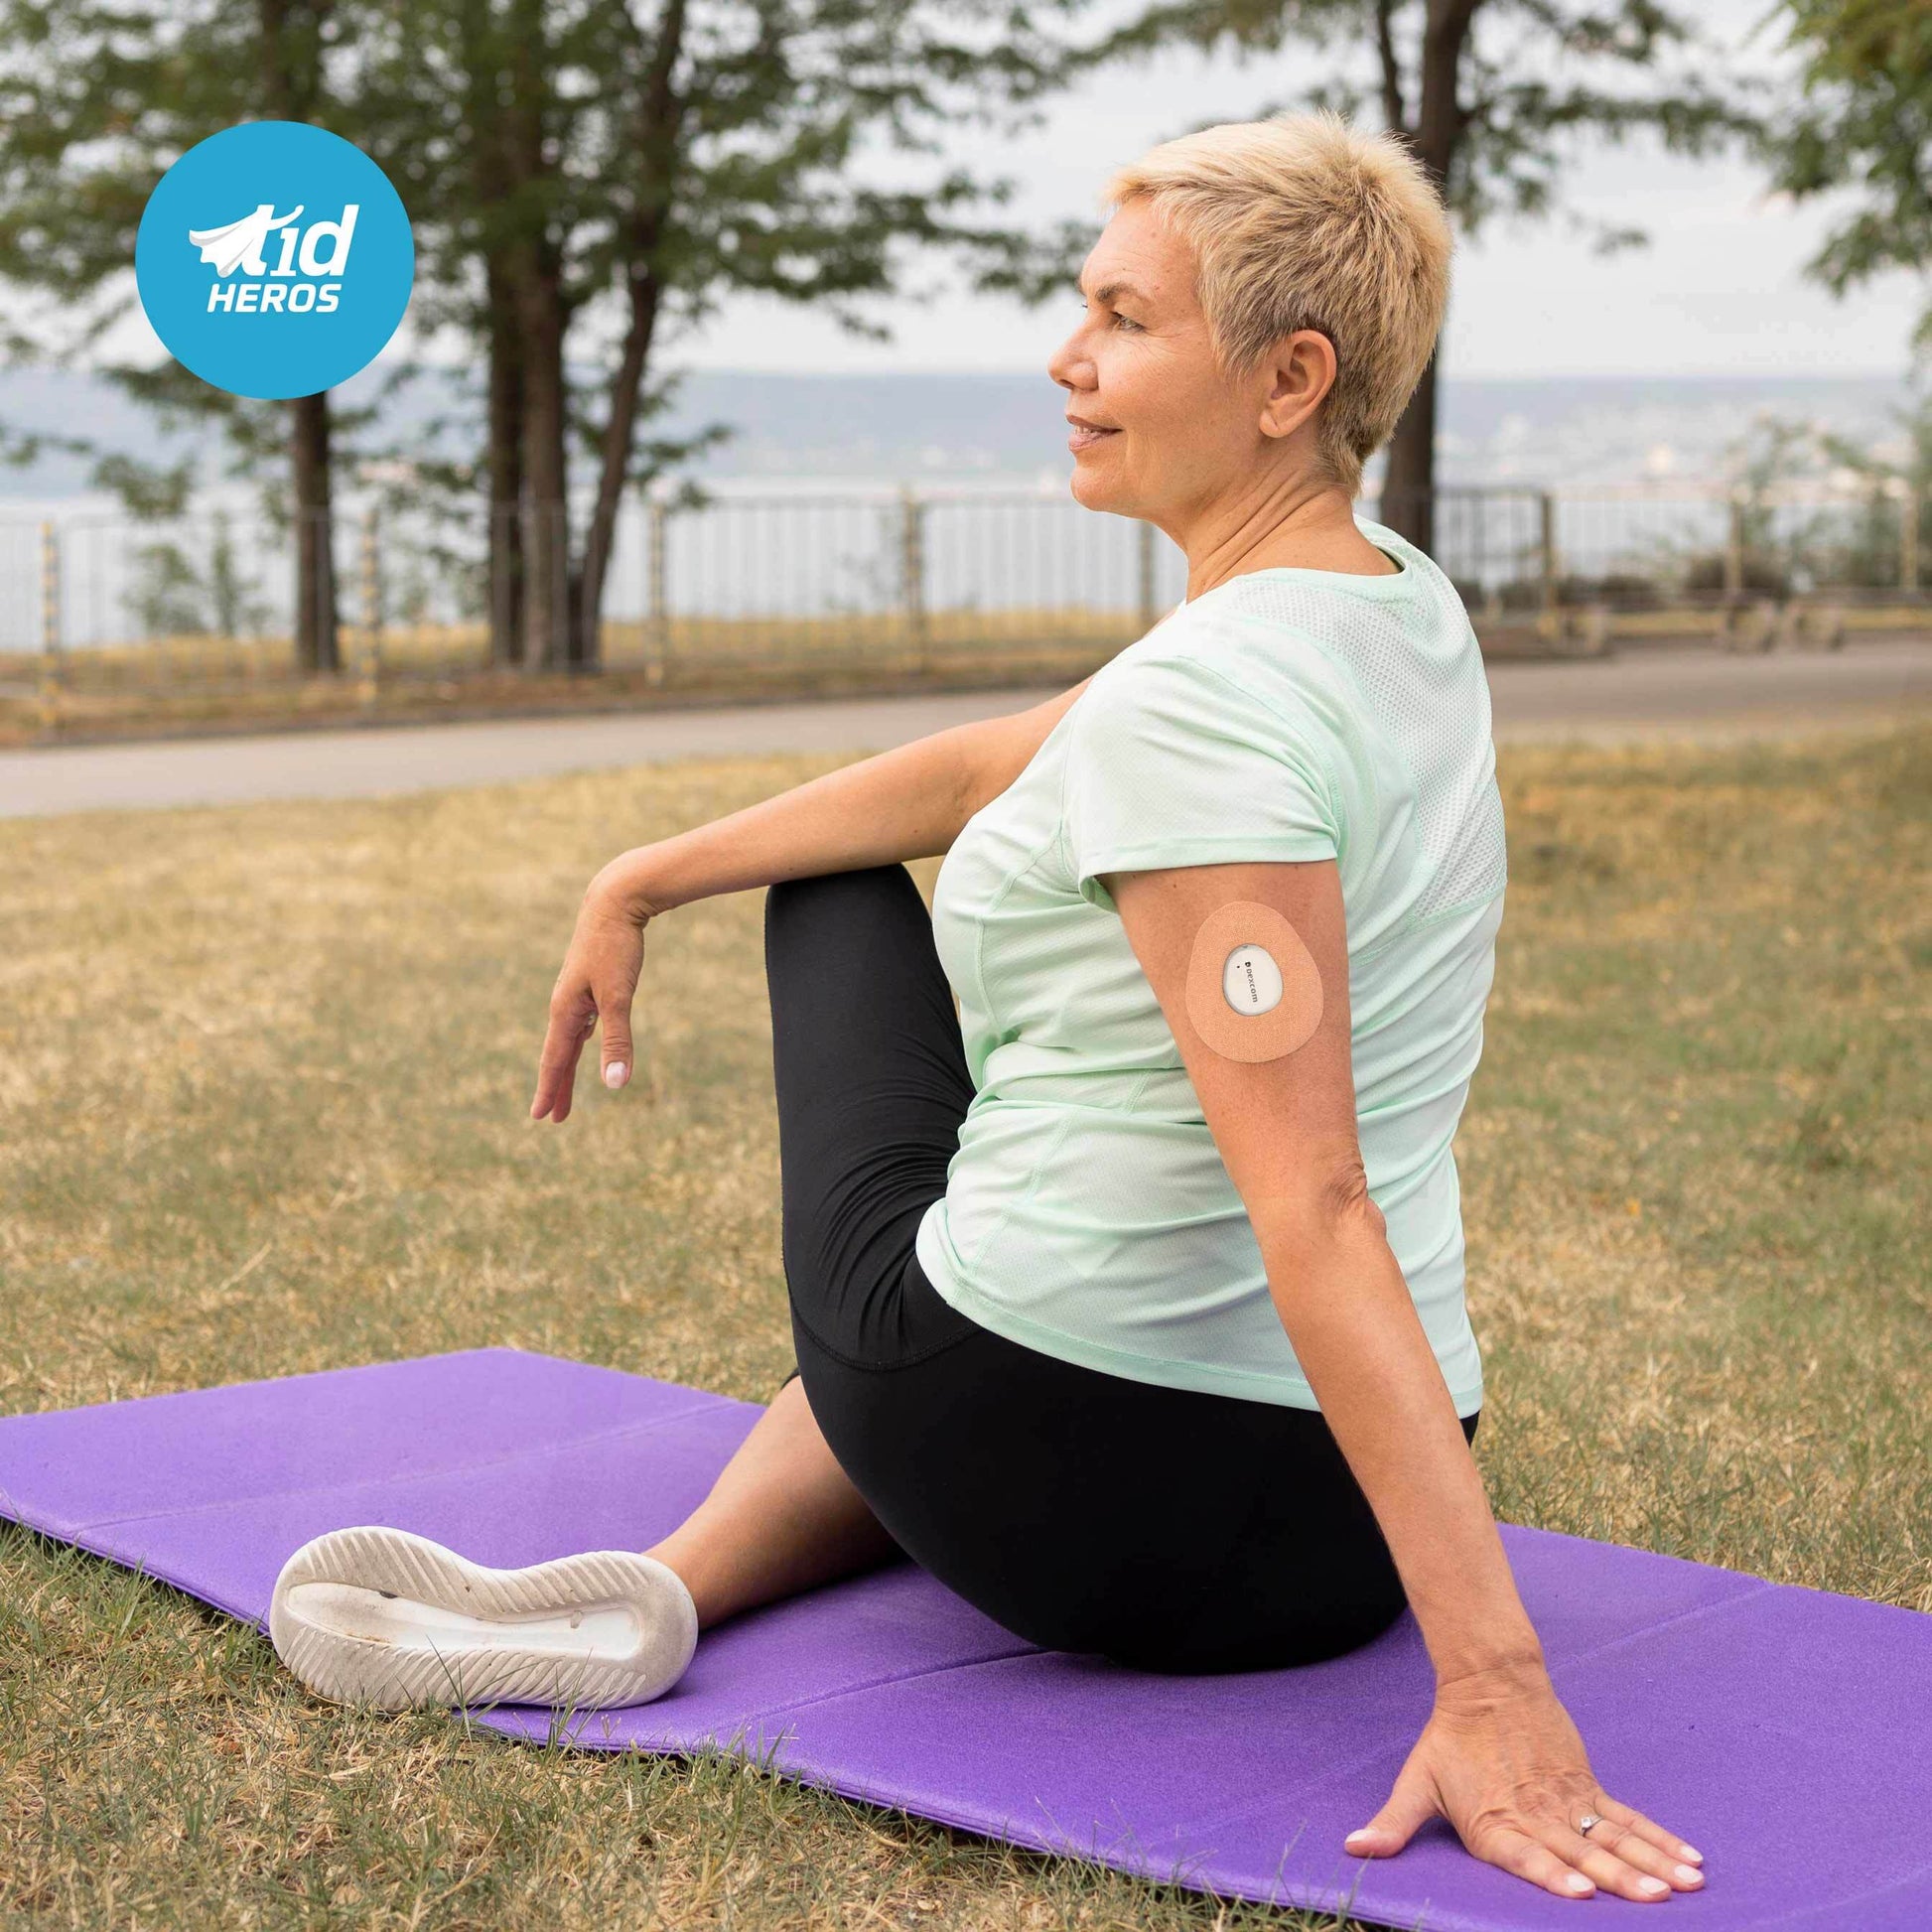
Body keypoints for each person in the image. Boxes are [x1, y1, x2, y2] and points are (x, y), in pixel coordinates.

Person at [270, 111, 1706, 1906]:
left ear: (1289, 378)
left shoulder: (1201, 708)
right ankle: (674, 1584)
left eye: (1123, 317)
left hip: (1058, 1484)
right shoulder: (1389, 610)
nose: (1065, 355)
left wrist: (1493, 1685)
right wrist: (641, 872)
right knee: (991, 1122)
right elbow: (981, 765)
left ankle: (721, 1540)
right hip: (1319, 1551)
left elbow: (1313, 1199)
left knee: (833, 900)